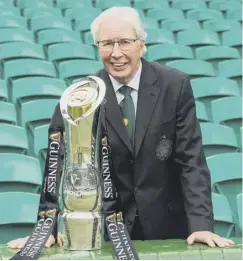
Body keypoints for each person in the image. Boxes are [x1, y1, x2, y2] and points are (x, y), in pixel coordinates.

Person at [8, 6, 234, 249]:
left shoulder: (175, 86)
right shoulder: (82, 97)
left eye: (124, 42)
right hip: (106, 234)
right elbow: (58, 164)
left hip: (169, 230)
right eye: (107, 44)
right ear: (97, 47)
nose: (116, 53)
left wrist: (200, 224)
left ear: (141, 43)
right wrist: (47, 229)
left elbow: (192, 161)